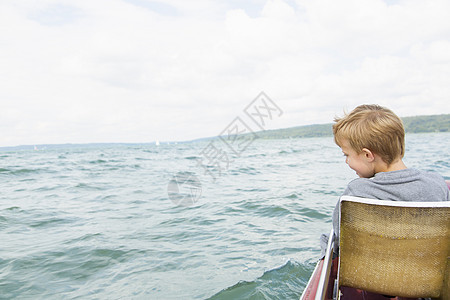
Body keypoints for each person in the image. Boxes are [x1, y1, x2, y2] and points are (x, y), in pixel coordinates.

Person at [320, 104, 450, 257]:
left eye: (346, 155)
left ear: (367, 155)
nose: (346, 162)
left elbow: (340, 245)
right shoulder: (437, 184)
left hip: (370, 278)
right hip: (430, 276)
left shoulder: (356, 193)